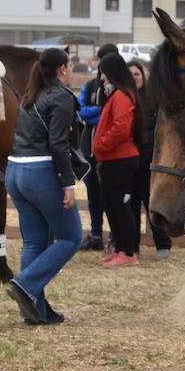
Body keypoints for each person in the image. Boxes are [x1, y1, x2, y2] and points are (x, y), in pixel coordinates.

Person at [5, 47, 83, 324]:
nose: (72, 70)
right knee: (72, 237)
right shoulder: (61, 97)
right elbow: (59, 144)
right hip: (41, 172)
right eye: (71, 66)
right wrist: (68, 183)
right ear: (62, 69)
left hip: (15, 171)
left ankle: (34, 310)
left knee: (36, 242)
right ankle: (25, 286)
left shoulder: (30, 94)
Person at [92, 52, 142, 267]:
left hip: (121, 159)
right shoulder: (115, 95)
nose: (101, 77)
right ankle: (120, 248)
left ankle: (128, 253)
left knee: (122, 205)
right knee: (111, 204)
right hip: (112, 159)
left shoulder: (122, 95)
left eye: (103, 72)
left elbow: (121, 128)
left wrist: (101, 144)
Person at [127, 58, 172, 260]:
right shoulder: (124, 98)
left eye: (137, 74)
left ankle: (163, 244)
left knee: (152, 204)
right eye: (130, 75)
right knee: (131, 206)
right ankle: (132, 245)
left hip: (149, 161)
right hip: (128, 162)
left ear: (143, 76)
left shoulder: (153, 98)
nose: (134, 78)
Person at [76, 42, 118, 252]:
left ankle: (115, 236)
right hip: (89, 150)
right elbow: (81, 111)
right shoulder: (90, 86)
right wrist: (102, 113)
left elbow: (118, 118)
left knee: (112, 196)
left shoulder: (121, 89)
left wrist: (101, 114)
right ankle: (95, 235)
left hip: (112, 153)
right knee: (93, 195)